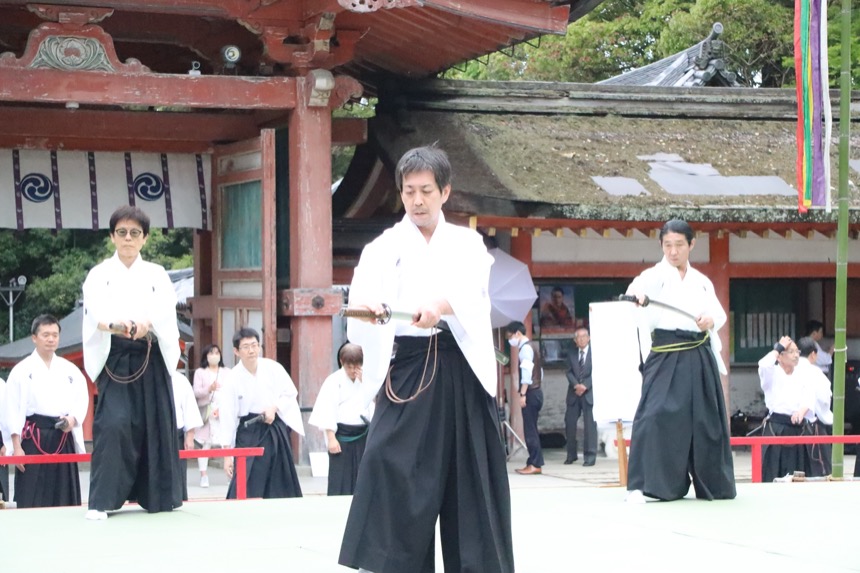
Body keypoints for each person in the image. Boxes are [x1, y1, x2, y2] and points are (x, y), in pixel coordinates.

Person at [339, 146, 514, 573]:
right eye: (409, 191)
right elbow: (360, 306)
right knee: (389, 464)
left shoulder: (468, 243)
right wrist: (371, 310)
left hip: (462, 366)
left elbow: (475, 293)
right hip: (410, 367)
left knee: (471, 481)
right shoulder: (382, 247)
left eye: (426, 191)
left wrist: (440, 304)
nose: (417, 200)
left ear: (445, 192)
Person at [82, 205, 183, 520]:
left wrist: (146, 322)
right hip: (116, 356)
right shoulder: (99, 274)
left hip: (150, 353)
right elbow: (94, 314)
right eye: (122, 232)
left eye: (135, 233)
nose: (128, 238)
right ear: (112, 236)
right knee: (114, 424)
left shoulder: (156, 273)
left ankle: (158, 498)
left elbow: (166, 310)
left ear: (145, 238)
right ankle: (101, 501)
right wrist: (117, 325)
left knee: (154, 423)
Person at [625, 219, 735, 503]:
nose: (673, 251)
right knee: (653, 416)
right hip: (666, 353)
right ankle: (648, 486)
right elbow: (636, 294)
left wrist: (710, 320)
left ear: (691, 245)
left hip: (699, 353)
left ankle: (715, 485)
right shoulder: (653, 276)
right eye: (667, 245)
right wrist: (638, 299)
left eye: (679, 245)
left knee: (706, 421)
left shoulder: (701, 281)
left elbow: (718, 315)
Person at [5, 314, 88, 508]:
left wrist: (72, 419)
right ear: (34, 338)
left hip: (62, 435)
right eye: (46, 335)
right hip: (33, 437)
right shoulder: (21, 370)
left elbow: (81, 399)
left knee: (63, 494)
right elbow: (12, 408)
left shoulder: (70, 370)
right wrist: (16, 446)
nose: (51, 339)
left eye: (55, 335)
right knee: (32, 493)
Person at [219, 327, 303, 499]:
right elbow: (227, 416)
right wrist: (227, 454)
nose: (251, 350)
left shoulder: (273, 368)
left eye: (254, 345)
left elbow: (290, 392)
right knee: (247, 477)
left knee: (280, 476)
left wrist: (274, 407)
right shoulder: (232, 378)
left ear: (259, 346)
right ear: (236, 351)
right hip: (248, 430)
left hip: (273, 427)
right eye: (245, 347)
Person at [308, 342, 375, 495]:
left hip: (364, 434)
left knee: (364, 478)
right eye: (349, 367)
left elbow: (376, 402)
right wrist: (331, 438)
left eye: (356, 366)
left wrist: (367, 384)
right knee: (340, 479)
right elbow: (327, 410)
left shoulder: (368, 380)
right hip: (341, 436)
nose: (353, 371)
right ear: (341, 362)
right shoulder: (333, 381)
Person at [758, 336, 815, 482]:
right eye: (791, 352)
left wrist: (801, 412)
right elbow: (763, 365)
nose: (796, 355)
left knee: (799, 473)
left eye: (797, 351)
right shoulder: (772, 373)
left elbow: (809, 398)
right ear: (780, 357)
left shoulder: (803, 373)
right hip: (776, 427)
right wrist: (779, 348)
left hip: (798, 427)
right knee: (772, 472)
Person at [505, 321, 544, 475]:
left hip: (530, 393)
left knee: (530, 430)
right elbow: (540, 372)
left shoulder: (525, 349)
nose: (510, 340)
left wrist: (522, 394)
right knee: (532, 428)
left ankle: (535, 463)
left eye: (510, 336)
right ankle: (534, 461)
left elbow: (526, 373)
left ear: (518, 334)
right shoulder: (534, 346)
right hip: (537, 391)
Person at [192, 344, 230, 488]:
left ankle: (230, 474)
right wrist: (209, 388)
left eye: (216, 353)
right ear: (206, 356)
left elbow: (231, 392)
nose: (214, 356)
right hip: (207, 411)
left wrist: (222, 409)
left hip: (223, 412)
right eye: (211, 353)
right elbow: (196, 392)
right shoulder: (200, 372)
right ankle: (203, 475)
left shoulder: (227, 372)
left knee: (227, 444)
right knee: (204, 444)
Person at [797, 336, 833, 476]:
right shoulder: (815, 372)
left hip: (789, 426)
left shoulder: (788, 370)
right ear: (813, 354)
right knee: (819, 470)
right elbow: (825, 399)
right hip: (813, 425)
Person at [564, 327, 597, 466]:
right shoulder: (571, 353)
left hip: (589, 393)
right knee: (570, 423)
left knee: (589, 426)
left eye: (584, 336)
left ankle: (590, 456)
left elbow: (598, 371)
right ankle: (571, 455)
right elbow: (568, 371)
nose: (582, 339)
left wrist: (585, 385)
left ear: (589, 338)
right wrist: (576, 385)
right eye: (579, 337)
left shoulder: (595, 352)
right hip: (574, 392)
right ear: (575, 340)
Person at [172, 370, 203, 501]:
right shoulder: (146, 376)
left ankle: (177, 499)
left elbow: (189, 408)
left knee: (176, 473)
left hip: (175, 434)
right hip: (150, 434)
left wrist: (190, 435)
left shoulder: (180, 380)